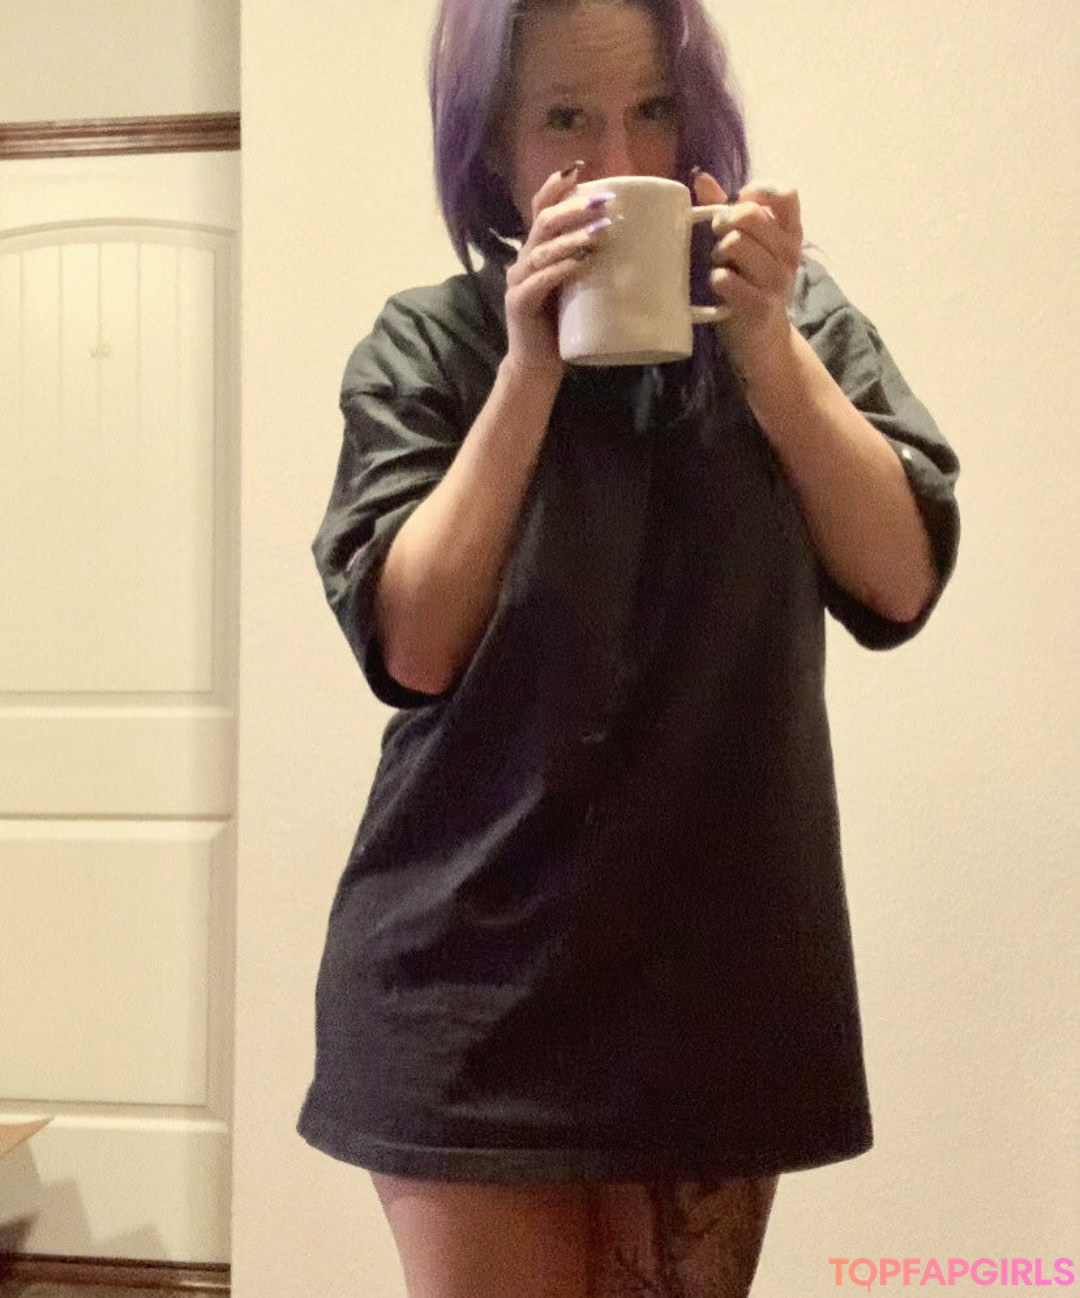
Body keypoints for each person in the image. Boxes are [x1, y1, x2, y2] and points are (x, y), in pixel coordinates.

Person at [297, 0, 961, 1293]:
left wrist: (768, 349)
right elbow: (414, 644)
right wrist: (528, 371)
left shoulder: (794, 321)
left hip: (720, 986)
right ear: (493, 150)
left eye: (653, 111)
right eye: (566, 120)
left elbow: (901, 572)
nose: (618, 162)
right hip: (473, 986)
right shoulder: (431, 346)